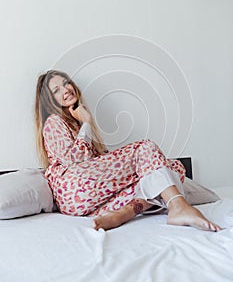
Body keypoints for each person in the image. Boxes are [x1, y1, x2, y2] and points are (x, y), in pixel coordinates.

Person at [35, 69, 221, 232]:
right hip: (73, 188)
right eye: (56, 90)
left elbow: (96, 163)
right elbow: (75, 162)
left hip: (87, 202)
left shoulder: (76, 121)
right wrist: (86, 122)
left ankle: (122, 214)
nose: (65, 89)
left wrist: (84, 125)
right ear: (49, 101)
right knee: (145, 148)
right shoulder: (53, 122)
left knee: (172, 169)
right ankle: (178, 206)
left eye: (66, 83)